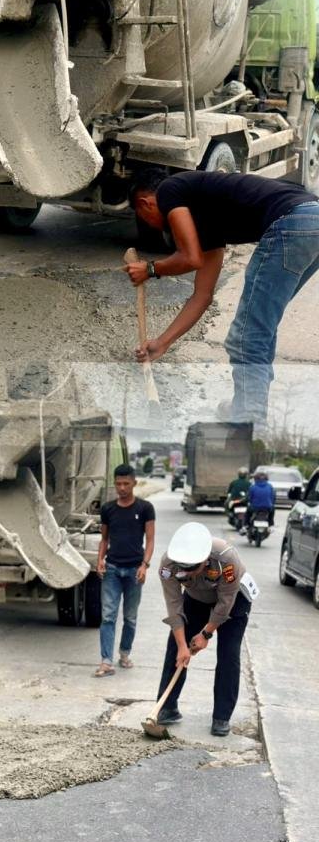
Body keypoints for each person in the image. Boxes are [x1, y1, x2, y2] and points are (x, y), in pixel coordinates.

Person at [126, 169, 319, 428]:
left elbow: (189, 258)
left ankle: (249, 423)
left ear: (145, 204)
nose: (150, 226)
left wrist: (150, 269)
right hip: (311, 219)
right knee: (260, 326)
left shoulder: (169, 190)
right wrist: (163, 342)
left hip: (293, 221)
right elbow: (202, 296)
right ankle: (246, 406)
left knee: (248, 336)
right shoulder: (207, 223)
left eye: (144, 219)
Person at [154, 522, 253, 736]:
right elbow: (174, 605)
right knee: (174, 648)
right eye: (183, 571)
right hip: (196, 599)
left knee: (228, 654)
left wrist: (206, 633)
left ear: (206, 559)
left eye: (192, 569)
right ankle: (167, 707)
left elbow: (225, 603)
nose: (186, 574)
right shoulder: (168, 564)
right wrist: (182, 645)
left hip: (234, 602)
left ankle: (221, 717)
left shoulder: (227, 560)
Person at [94, 464, 155, 677]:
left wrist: (145, 565)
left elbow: (150, 539)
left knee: (130, 617)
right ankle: (106, 661)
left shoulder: (145, 508)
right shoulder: (108, 509)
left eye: (126, 484)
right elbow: (104, 539)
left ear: (134, 483)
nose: (122, 488)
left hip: (134, 571)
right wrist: (100, 559)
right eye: (118, 484)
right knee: (108, 616)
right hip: (112, 570)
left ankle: (124, 653)